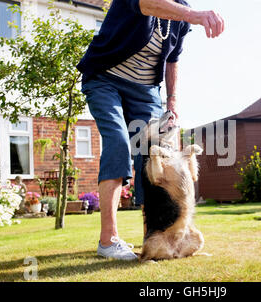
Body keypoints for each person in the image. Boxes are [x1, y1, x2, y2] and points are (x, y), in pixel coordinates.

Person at [77, 0, 225, 261]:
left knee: (154, 157)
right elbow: (147, 4)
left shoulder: (180, 11)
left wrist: (172, 100)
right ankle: (108, 241)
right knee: (118, 143)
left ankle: (154, 238)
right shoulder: (176, 9)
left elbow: (172, 60)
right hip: (104, 78)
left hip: (145, 91)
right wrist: (196, 16)